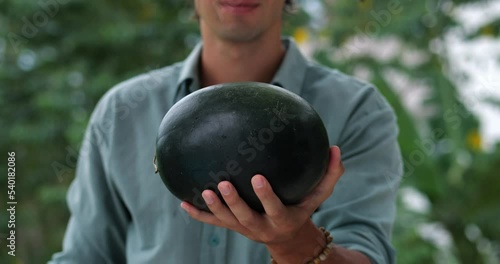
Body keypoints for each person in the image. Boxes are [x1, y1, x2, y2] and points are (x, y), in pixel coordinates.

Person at [50, 0, 402, 263]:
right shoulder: (123, 111)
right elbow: (86, 256)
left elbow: (366, 253)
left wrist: (294, 242)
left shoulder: (357, 110)